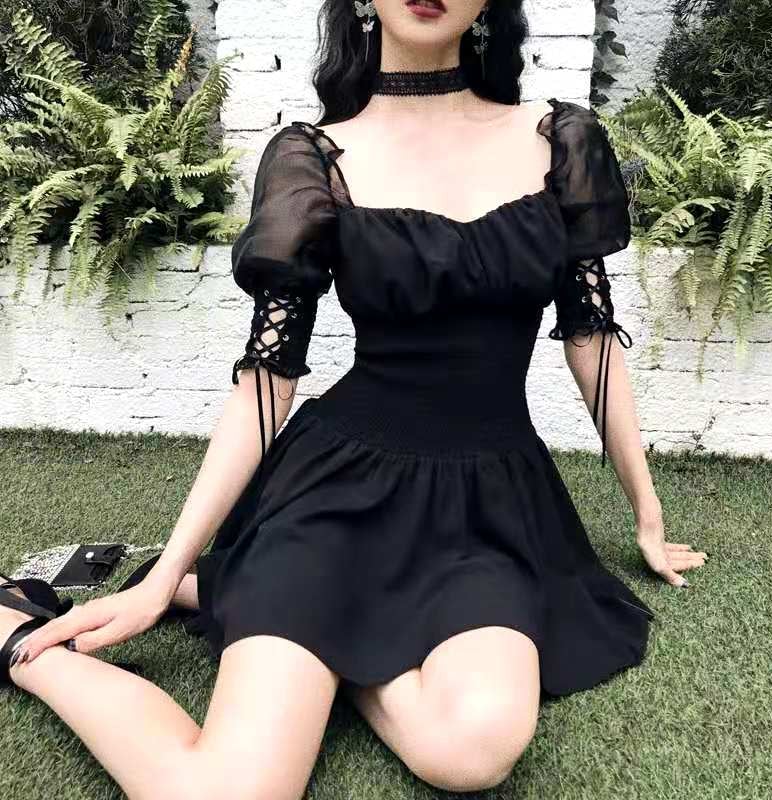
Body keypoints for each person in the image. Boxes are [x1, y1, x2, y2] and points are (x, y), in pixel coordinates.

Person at [1, 1, 708, 797]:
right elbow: (267, 381)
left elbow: (592, 340)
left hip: (488, 510)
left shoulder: (560, 138)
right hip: (334, 498)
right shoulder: (313, 155)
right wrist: (162, 575)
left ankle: (272, 605)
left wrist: (647, 513)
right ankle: (22, 639)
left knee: (472, 752)